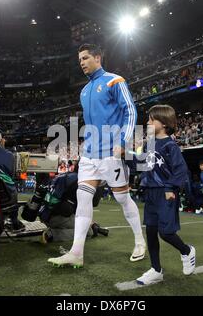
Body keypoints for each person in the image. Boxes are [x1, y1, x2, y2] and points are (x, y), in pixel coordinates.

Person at [48, 44, 146, 268]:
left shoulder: (115, 81)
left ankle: (140, 241)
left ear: (97, 57)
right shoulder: (84, 90)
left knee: (122, 198)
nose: (81, 62)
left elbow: (130, 110)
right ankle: (76, 252)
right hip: (90, 154)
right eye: (79, 59)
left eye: (85, 58)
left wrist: (123, 142)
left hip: (111, 152)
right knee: (83, 199)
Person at [135, 105, 195, 285]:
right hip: (151, 193)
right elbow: (140, 166)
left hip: (165, 193)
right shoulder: (149, 143)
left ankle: (186, 251)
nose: (147, 122)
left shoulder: (171, 145)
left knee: (166, 232)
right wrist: (125, 155)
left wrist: (170, 188)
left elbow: (181, 170)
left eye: (151, 120)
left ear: (164, 123)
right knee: (151, 232)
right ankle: (156, 270)